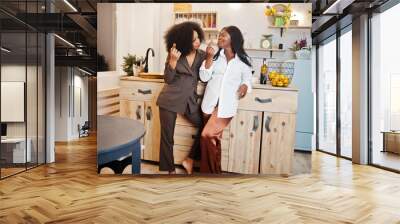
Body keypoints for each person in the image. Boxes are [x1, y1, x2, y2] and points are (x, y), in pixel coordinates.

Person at [199, 26, 253, 174]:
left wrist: (244, 85)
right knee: (214, 142)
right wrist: (209, 57)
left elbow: (248, 79)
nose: (220, 38)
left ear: (233, 39)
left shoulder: (243, 60)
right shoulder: (216, 57)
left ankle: (207, 175)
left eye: (224, 36)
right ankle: (216, 172)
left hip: (226, 107)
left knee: (207, 136)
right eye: (220, 36)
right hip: (208, 105)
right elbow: (204, 77)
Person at [156, 22, 206, 174]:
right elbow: (168, 79)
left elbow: (208, 73)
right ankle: (169, 170)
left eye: (198, 38)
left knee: (205, 126)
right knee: (167, 137)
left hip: (189, 101)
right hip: (170, 99)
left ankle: (189, 159)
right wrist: (172, 61)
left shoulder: (202, 55)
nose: (197, 42)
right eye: (193, 40)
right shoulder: (175, 53)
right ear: (184, 41)